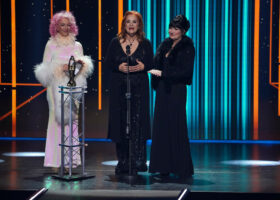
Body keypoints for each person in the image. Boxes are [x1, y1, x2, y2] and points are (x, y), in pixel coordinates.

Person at [34, 11, 93, 170]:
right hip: (55, 89)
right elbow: (44, 69)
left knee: (73, 122)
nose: (66, 28)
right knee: (57, 122)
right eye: (62, 25)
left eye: (68, 25)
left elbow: (84, 66)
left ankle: (70, 161)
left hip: (73, 89)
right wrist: (60, 68)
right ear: (56, 27)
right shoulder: (51, 44)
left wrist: (76, 68)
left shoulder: (77, 45)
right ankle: (55, 161)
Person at [104, 11, 153, 175]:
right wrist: (118, 67)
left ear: (139, 25)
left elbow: (152, 63)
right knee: (121, 124)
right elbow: (108, 62)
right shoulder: (114, 42)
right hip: (119, 88)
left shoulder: (146, 43)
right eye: (128, 22)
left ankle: (137, 161)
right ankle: (123, 161)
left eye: (134, 22)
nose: (131, 25)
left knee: (137, 124)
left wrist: (143, 67)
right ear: (124, 25)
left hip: (139, 89)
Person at [148, 15, 195, 178]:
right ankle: (163, 167)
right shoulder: (165, 44)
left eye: (176, 28)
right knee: (161, 127)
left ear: (183, 31)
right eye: (170, 27)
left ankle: (181, 168)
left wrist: (164, 73)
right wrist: (155, 72)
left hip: (176, 90)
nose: (172, 31)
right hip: (162, 90)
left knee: (176, 126)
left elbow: (186, 72)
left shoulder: (187, 46)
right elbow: (157, 65)